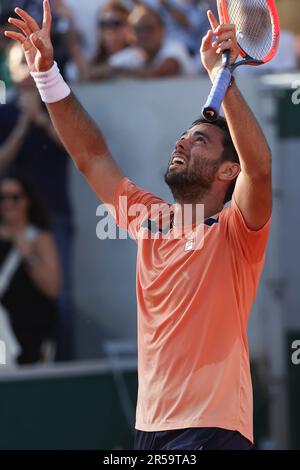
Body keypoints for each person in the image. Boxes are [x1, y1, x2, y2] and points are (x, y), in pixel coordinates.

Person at [4, 0, 272, 449]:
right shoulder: (150, 219)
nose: (183, 143)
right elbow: (91, 157)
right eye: (184, 137)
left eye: (200, 140)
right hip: (150, 431)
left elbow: (259, 170)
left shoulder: (236, 229)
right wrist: (47, 74)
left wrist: (221, 83)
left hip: (213, 428)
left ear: (228, 172)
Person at [0, 41, 75, 361]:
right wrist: (22, 125)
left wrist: (42, 119)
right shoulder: (4, 113)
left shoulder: (62, 105)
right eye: (22, 64)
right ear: (11, 71)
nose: (28, 72)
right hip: (8, 216)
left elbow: (80, 150)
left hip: (53, 215)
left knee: (59, 296)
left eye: (33, 64)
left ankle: (64, 371)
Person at [0, 173, 60, 364]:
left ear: (27, 200)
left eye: (15, 197)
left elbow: (52, 288)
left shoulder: (39, 238)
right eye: (2, 197)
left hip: (34, 330)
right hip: (2, 331)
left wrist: (29, 258)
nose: (8, 203)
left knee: (32, 388)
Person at [106, 5, 196, 78]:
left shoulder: (175, 48)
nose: (144, 34)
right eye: (138, 29)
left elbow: (159, 74)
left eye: (149, 28)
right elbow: (104, 70)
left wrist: (117, 71)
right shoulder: (127, 57)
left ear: (162, 30)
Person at [83, 1, 133, 81]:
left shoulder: (136, 55)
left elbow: (88, 75)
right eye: (103, 24)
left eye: (116, 23)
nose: (109, 30)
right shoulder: (92, 60)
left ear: (129, 26)